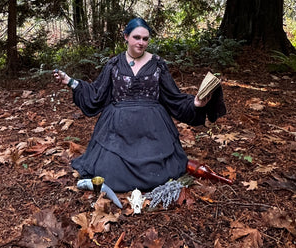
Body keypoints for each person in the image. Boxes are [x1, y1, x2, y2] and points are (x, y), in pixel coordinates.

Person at [53, 17, 226, 193]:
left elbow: (173, 97)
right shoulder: (114, 64)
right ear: (126, 37)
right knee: (109, 170)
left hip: (153, 127)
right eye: (137, 37)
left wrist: (196, 102)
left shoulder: (158, 64)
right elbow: (96, 93)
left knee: (161, 171)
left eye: (145, 39)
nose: (141, 43)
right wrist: (70, 81)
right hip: (117, 126)